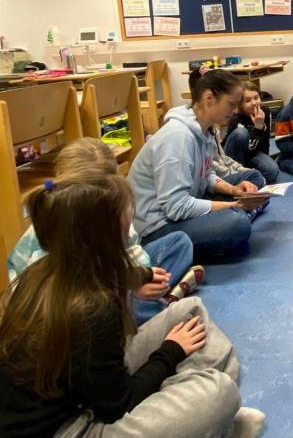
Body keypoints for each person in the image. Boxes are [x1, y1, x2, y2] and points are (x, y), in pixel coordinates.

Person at [0, 176, 265, 438]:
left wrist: (139, 277)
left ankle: (192, 419)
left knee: (190, 310)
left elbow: (113, 272)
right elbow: (118, 405)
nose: (131, 219)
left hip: (83, 400)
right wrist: (171, 352)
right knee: (220, 394)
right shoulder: (91, 309)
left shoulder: (49, 269)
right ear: (102, 237)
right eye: (124, 216)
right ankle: (205, 425)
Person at [7, 137, 199, 323]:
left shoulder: (113, 213)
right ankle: (157, 306)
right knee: (117, 309)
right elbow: (66, 294)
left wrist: (140, 276)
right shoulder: (55, 232)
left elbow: (129, 250)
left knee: (179, 243)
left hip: (114, 277)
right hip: (79, 302)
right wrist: (130, 289)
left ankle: (155, 305)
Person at [129, 67, 268, 261]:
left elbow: (205, 173)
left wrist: (234, 190)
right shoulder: (178, 137)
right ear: (209, 98)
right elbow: (176, 206)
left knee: (253, 179)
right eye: (231, 104)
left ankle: (239, 216)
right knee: (237, 223)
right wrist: (234, 205)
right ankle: (240, 217)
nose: (236, 110)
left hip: (188, 201)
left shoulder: (205, 129)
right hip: (158, 228)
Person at [222, 82, 279, 183]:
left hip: (253, 152)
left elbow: (265, 142)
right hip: (234, 155)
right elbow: (246, 146)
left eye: (256, 98)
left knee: (272, 171)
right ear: (240, 104)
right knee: (241, 133)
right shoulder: (236, 118)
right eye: (248, 100)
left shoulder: (265, 112)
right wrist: (258, 128)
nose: (254, 103)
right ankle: (237, 175)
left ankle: (249, 174)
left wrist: (265, 159)